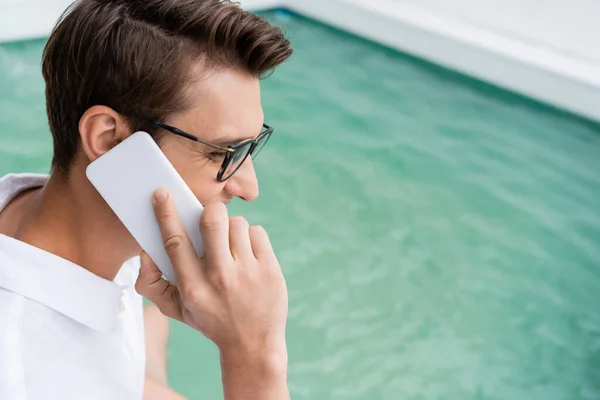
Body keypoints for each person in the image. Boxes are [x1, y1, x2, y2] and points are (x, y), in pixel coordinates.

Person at [0, 0, 293, 399]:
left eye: (249, 147)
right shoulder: (24, 374)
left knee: (156, 327)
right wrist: (254, 355)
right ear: (109, 140)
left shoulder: (52, 213)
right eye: (220, 153)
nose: (248, 187)